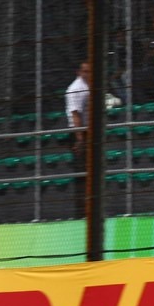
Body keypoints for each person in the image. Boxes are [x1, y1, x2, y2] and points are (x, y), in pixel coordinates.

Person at [65, 61, 91, 209]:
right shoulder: (75, 88)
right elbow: (75, 115)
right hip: (78, 132)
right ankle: (81, 208)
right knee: (81, 171)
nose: (88, 74)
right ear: (79, 72)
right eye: (85, 71)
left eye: (90, 71)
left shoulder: (88, 86)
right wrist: (80, 139)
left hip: (88, 130)